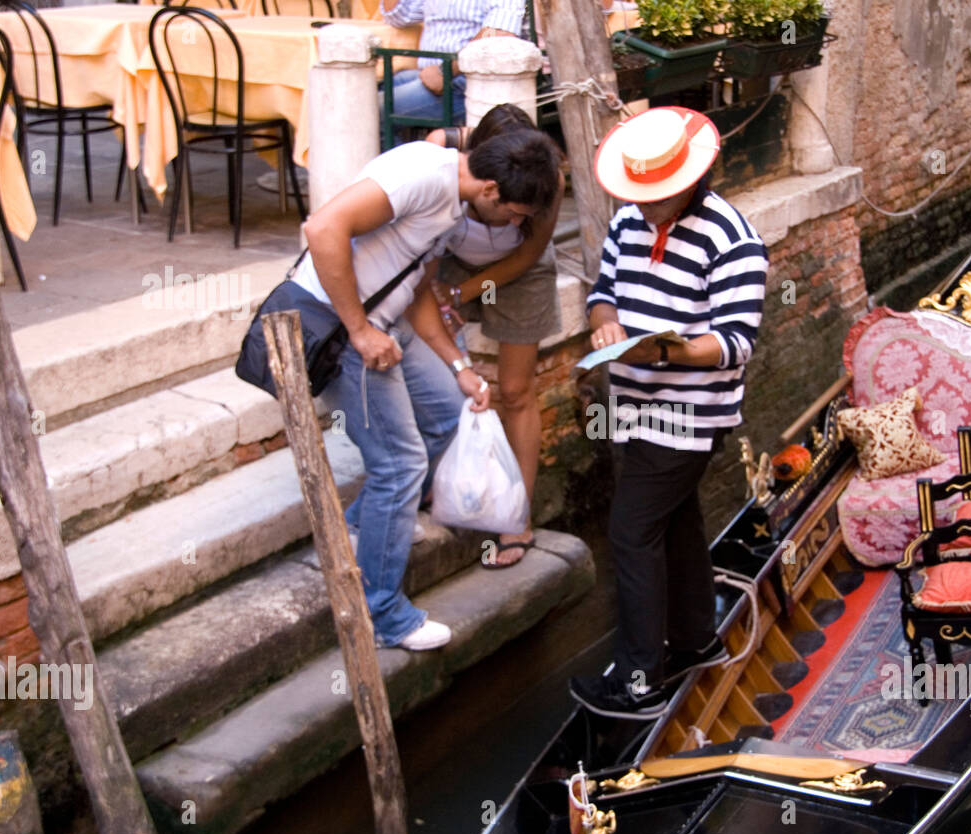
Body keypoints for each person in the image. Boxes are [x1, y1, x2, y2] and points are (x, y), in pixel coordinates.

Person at [258, 128, 561, 650]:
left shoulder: (454, 202)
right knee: (400, 465)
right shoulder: (424, 174)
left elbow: (417, 286)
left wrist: (459, 365)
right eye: (514, 214)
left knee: (451, 416)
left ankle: (362, 529)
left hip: (387, 321)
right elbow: (322, 226)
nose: (515, 227)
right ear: (491, 190)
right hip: (336, 324)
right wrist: (359, 330)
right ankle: (384, 617)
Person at [569, 107, 769, 718]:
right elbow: (603, 295)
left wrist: (668, 348)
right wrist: (606, 328)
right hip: (632, 404)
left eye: (654, 196)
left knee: (631, 533)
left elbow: (736, 342)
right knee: (676, 522)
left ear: (689, 179)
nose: (642, 206)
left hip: (688, 414)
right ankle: (694, 640)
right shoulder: (629, 222)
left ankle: (638, 684)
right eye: (637, 194)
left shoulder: (734, 241)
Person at [423, 104, 565, 568]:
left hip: (520, 270)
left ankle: (514, 513)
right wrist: (440, 293)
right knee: (438, 381)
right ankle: (442, 487)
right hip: (451, 258)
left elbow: (527, 256)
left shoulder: (548, 179)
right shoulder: (442, 151)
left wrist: (460, 295)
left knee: (518, 391)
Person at [379, 0, 524, 128]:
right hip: (431, 73)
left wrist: (445, 71)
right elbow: (399, 16)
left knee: (374, 109)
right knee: (369, 91)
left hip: (467, 82)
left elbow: (500, 32)